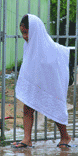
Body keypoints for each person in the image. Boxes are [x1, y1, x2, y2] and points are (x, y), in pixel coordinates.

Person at [12, 14, 72, 148]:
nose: (24, 36)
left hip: (50, 84)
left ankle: (65, 137)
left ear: (35, 31)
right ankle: (27, 139)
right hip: (34, 82)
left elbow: (53, 68)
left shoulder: (50, 47)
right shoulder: (28, 46)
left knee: (55, 107)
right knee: (27, 107)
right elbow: (29, 65)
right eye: (22, 33)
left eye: (26, 33)